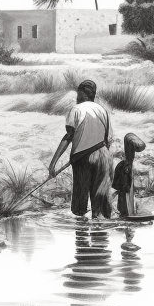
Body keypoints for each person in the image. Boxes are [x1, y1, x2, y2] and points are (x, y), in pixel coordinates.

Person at [50, 80, 113, 218]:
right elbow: (109, 139)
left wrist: (53, 163)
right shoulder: (103, 111)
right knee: (100, 201)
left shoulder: (76, 110)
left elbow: (68, 137)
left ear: (83, 93)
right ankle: (100, 231)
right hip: (103, 155)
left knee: (80, 204)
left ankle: (81, 234)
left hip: (82, 158)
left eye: (78, 94)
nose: (77, 97)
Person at [113, 133, 146, 217]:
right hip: (124, 189)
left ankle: (124, 213)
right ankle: (124, 214)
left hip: (123, 187)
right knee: (124, 199)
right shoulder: (125, 165)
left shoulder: (125, 164)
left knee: (125, 198)